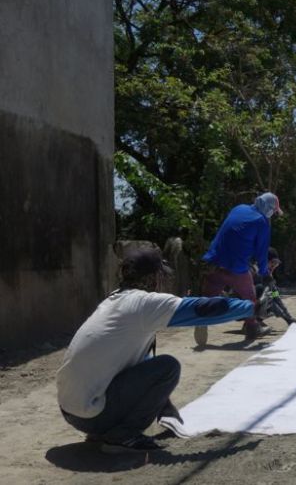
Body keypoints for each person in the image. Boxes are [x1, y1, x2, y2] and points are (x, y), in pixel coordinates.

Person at [57, 248, 260, 453]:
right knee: (167, 367)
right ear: (153, 278)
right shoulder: (145, 303)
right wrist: (251, 308)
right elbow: (203, 308)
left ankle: (105, 429)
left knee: (149, 362)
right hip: (92, 414)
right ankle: (122, 435)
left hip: (70, 410)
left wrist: (164, 406)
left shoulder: (114, 299)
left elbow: (140, 365)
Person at [199, 192, 282, 340]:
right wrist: (267, 276)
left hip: (214, 260)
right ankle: (252, 327)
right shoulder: (262, 222)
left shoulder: (239, 208)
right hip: (235, 267)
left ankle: (200, 320)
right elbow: (261, 253)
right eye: (274, 263)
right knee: (252, 298)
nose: (274, 265)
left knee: (208, 297)